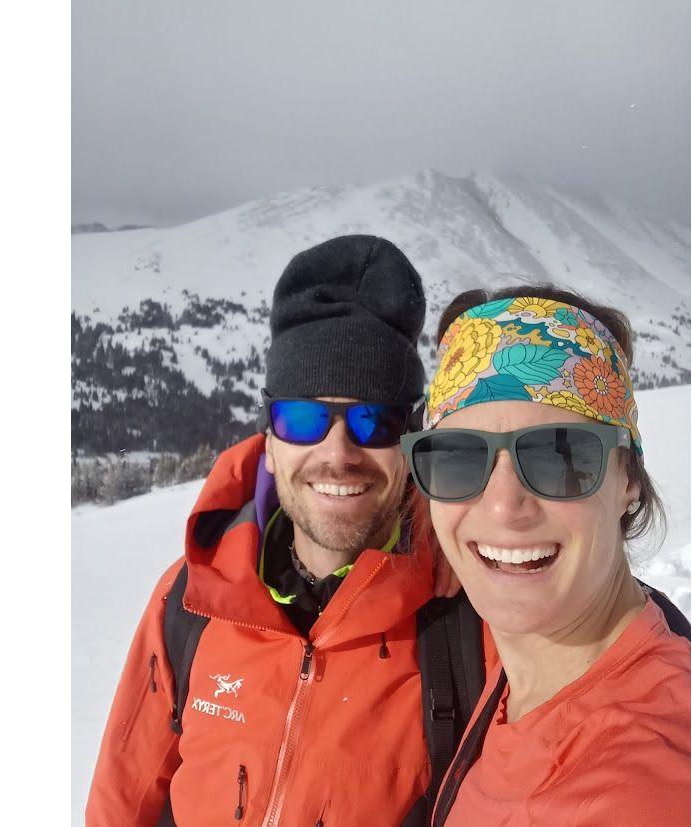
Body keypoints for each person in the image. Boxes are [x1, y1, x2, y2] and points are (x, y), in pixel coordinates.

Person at [85, 235, 494, 826]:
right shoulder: (191, 599)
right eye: (303, 418)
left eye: (372, 420)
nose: (338, 452)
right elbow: (122, 800)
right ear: (270, 443)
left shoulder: (462, 621)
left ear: (410, 444)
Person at [400, 286, 691, 826]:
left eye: (560, 456)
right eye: (459, 459)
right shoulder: (522, 673)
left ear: (628, 477)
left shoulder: (647, 780)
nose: (504, 506)